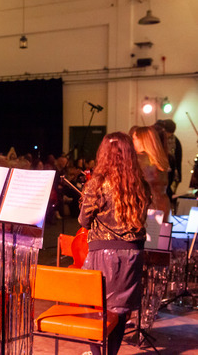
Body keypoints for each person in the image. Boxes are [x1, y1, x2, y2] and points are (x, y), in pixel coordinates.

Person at [78, 132, 151, 355]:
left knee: (96, 311)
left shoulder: (97, 185)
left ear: (104, 154)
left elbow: (83, 221)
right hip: (132, 255)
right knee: (119, 313)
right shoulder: (141, 185)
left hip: (103, 254)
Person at [132, 126, 171, 219]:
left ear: (141, 140)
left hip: (146, 209)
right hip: (163, 206)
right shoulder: (160, 160)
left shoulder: (138, 159)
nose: (132, 142)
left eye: (134, 138)